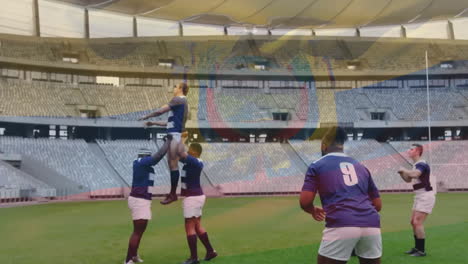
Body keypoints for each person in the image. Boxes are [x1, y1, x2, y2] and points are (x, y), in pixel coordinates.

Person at [299, 127, 382, 264]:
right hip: (371, 224)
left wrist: (312, 210)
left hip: (341, 223)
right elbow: (378, 205)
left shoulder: (317, 165)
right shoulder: (361, 167)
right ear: (342, 146)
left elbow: (305, 201)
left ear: (324, 146)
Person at [139, 82, 189, 205]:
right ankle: (173, 192)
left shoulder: (178, 99)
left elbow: (160, 111)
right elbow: (169, 123)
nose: (174, 88)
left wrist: (147, 116)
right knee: (173, 163)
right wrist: (153, 123)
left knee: (173, 165)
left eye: (175, 87)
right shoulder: (182, 103)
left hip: (174, 136)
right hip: (175, 135)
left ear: (181, 89)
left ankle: (173, 194)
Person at [125, 136, 172, 264]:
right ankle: (128, 260)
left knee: (139, 231)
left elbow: (157, 157)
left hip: (142, 199)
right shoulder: (142, 162)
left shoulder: (142, 164)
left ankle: (133, 255)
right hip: (140, 200)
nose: (151, 158)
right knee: (137, 231)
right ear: (145, 156)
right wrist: (168, 141)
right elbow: (158, 156)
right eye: (149, 156)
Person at [175, 134, 217, 264]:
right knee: (197, 225)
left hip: (192, 197)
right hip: (196, 196)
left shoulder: (194, 161)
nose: (187, 151)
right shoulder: (192, 162)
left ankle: (194, 258)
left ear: (194, 152)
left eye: (190, 149)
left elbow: (180, 152)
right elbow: (178, 155)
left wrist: (181, 139)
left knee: (189, 226)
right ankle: (210, 251)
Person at [398, 143, 435, 257]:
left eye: (411, 149)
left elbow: (415, 175)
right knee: (413, 222)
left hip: (425, 196)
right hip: (419, 196)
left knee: (417, 222)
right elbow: (408, 180)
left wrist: (405, 170)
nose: (408, 150)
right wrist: (402, 174)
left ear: (418, 151)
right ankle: (417, 248)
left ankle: (421, 250)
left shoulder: (421, 164)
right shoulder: (415, 165)